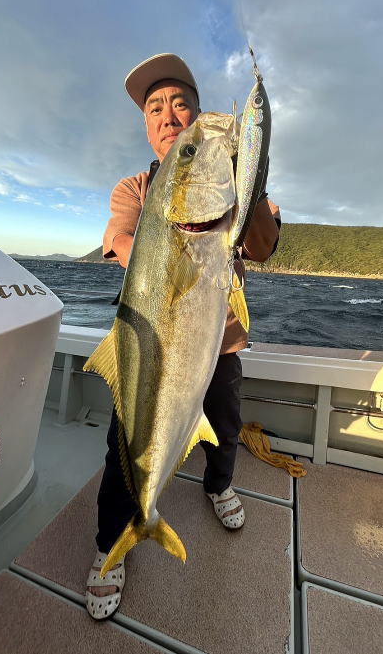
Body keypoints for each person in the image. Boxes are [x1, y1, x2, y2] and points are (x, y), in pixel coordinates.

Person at [86, 53, 281, 620]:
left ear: (196, 113)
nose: (168, 116)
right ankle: (112, 541)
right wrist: (165, 243)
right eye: (155, 108)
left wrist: (249, 180)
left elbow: (263, 246)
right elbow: (121, 240)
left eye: (180, 105)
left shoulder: (233, 180)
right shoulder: (135, 188)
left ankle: (218, 486)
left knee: (225, 426)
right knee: (124, 445)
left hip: (220, 342)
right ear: (147, 127)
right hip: (147, 347)